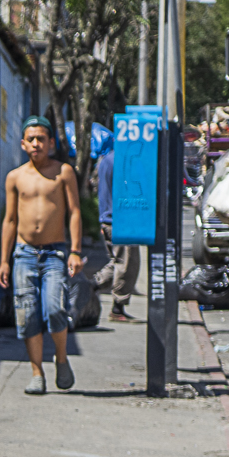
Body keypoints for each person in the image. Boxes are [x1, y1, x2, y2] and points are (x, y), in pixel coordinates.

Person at [0, 116, 84, 393]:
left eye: (41, 138)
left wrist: (75, 251)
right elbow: (9, 220)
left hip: (55, 253)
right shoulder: (15, 177)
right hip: (23, 254)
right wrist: (3, 261)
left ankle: (60, 357)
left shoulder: (63, 172)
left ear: (51, 142)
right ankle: (36, 373)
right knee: (27, 313)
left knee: (55, 308)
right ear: (23, 144)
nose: (36, 143)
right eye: (31, 139)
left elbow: (75, 212)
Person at [91, 133, 138, 323]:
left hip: (108, 218)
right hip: (119, 219)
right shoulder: (121, 161)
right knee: (127, 264)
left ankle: (92, 284)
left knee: (117, 261)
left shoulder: (106, 160)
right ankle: (117, 307)